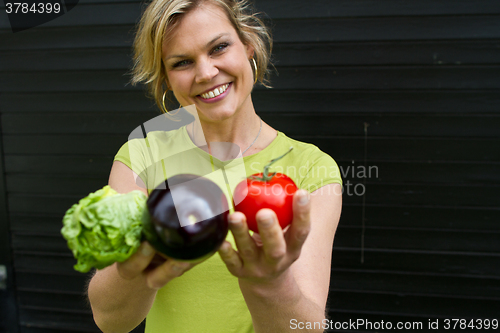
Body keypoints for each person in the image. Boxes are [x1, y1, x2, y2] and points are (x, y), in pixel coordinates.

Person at [87, 0, 342, 332]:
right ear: (166, 77)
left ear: (248, 45)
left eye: (219, 47)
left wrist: (271, 282)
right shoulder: (141, 157)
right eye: (182, 62)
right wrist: (145, 256)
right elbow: (110, 320)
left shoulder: (312, 168)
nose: (206, 73)